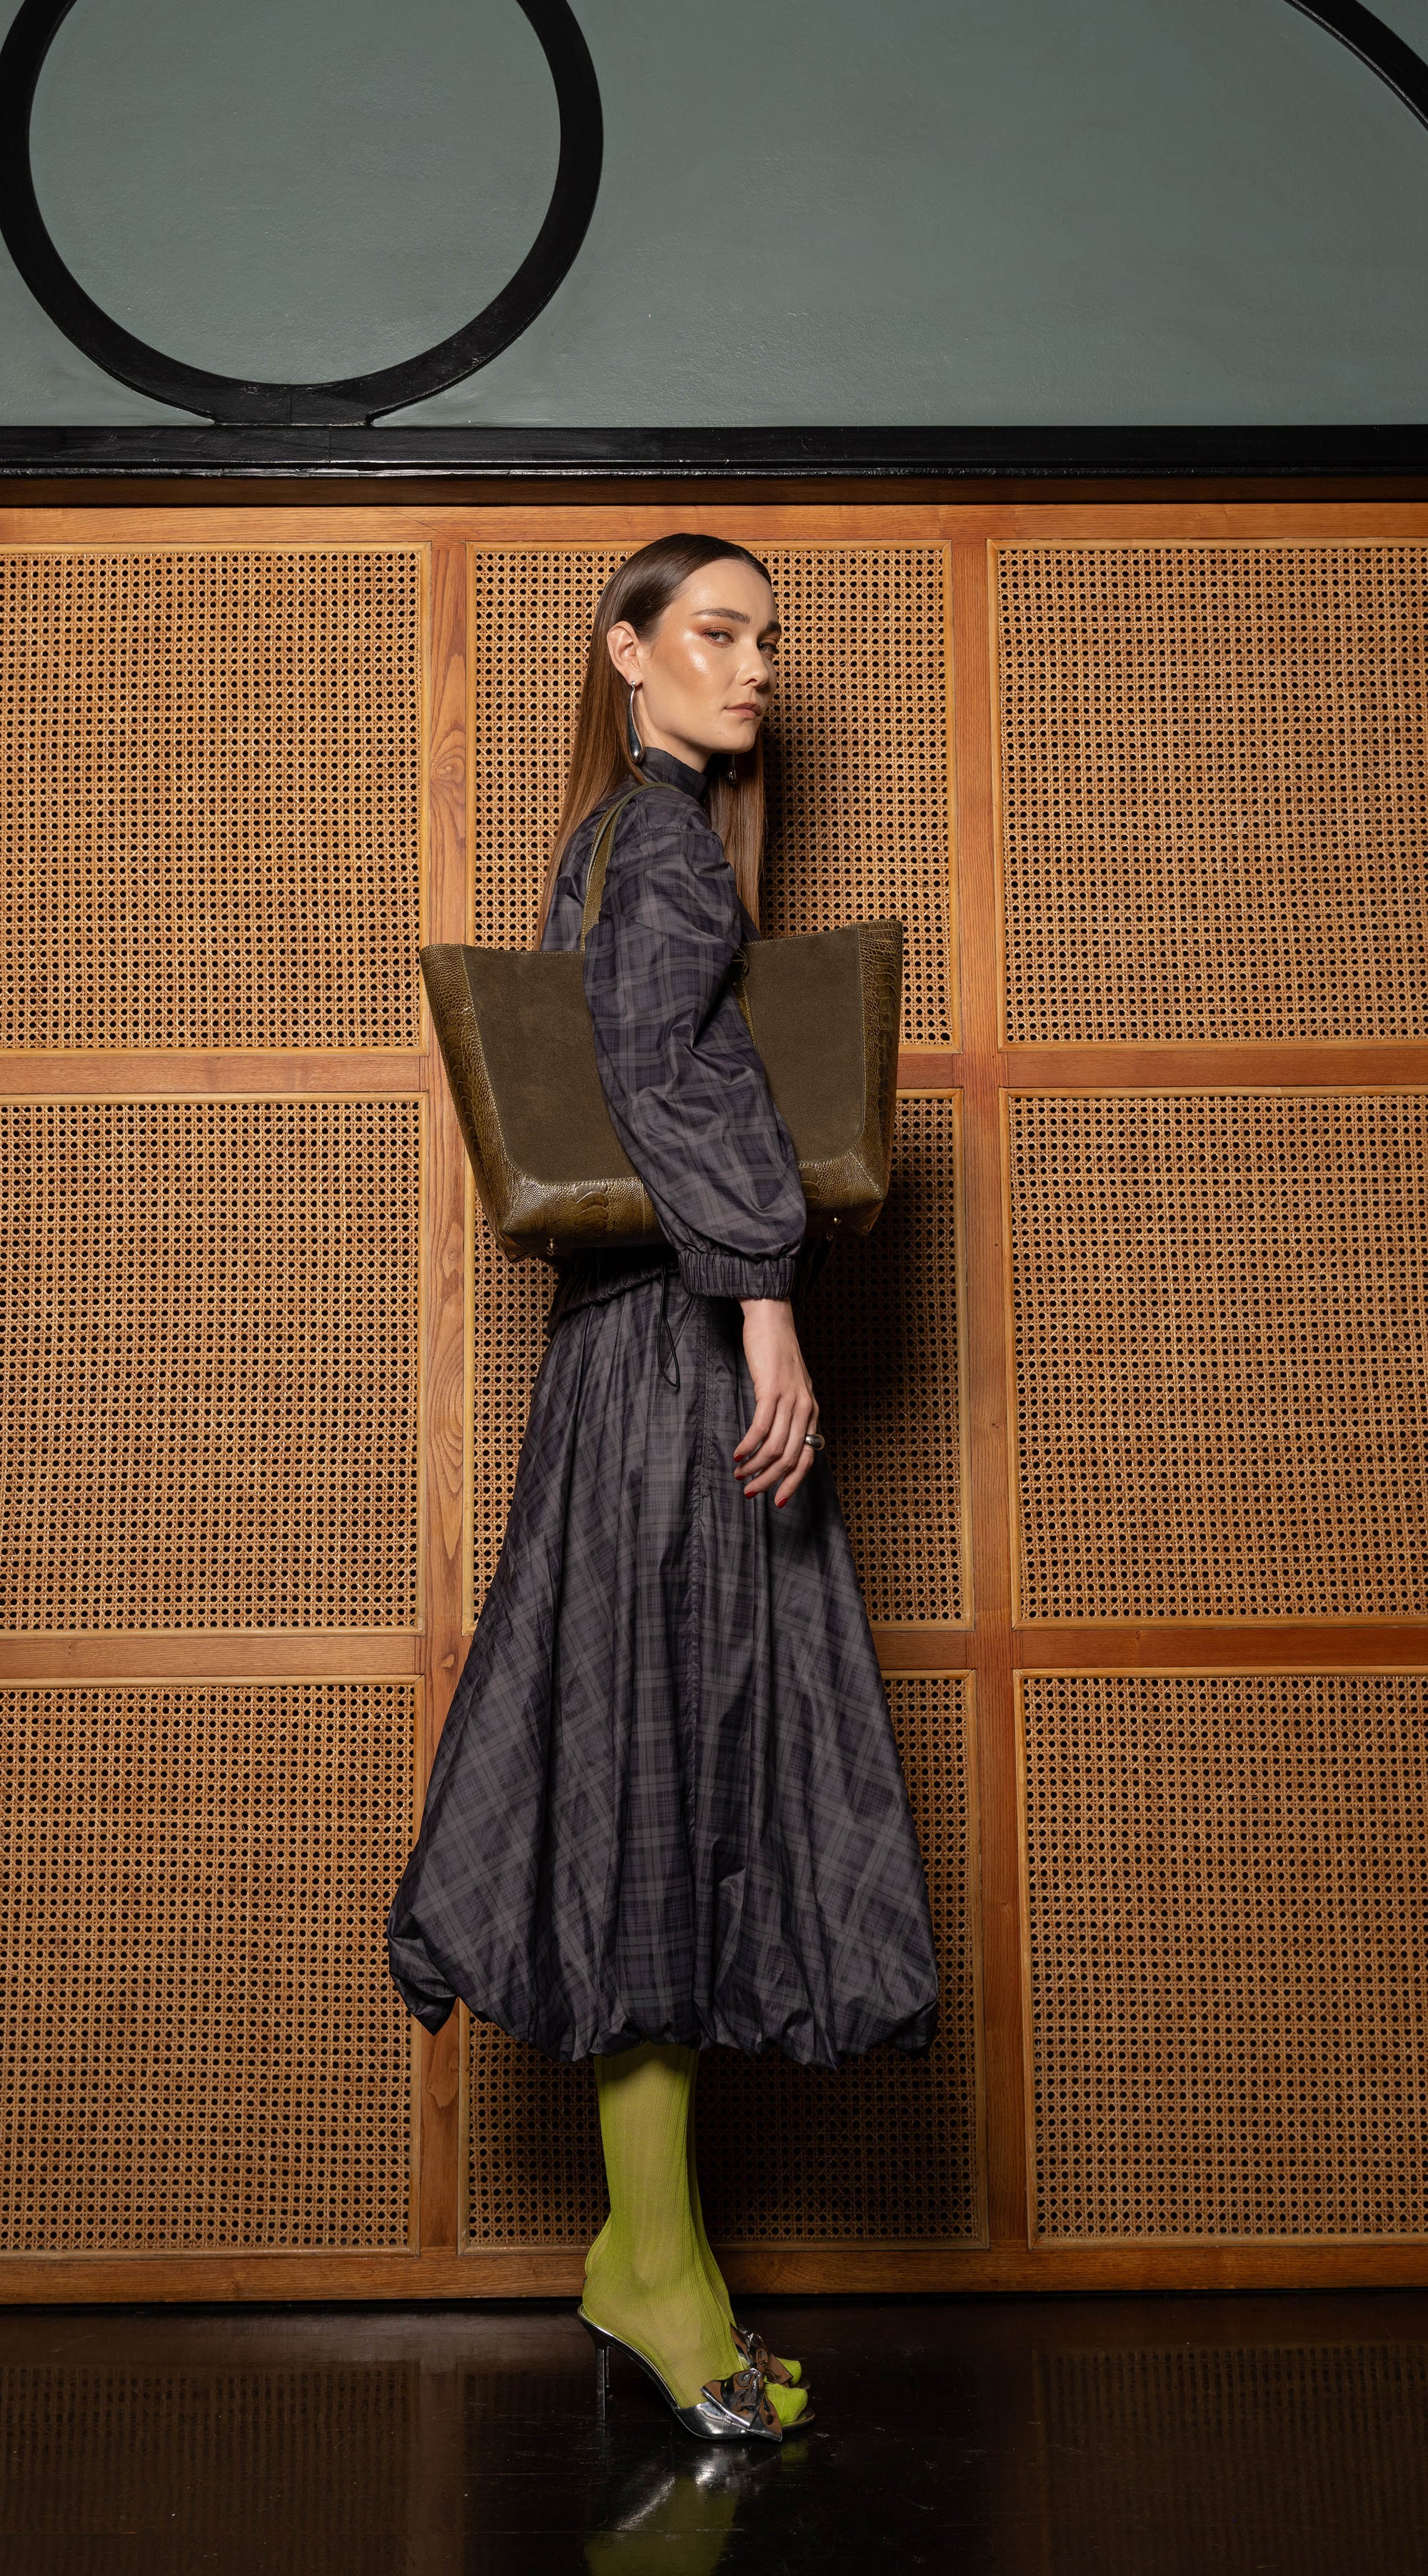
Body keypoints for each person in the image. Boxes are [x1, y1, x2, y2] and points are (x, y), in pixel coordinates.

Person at [387, 533, 938, 2442]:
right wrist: (768, 1306)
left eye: (768, 638)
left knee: (669, 1787)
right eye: (717, 631)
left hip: (633, 1360)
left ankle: (650, 2253)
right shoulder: (663, 846)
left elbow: (659, 1068)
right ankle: (659, 2274)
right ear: (627, 654)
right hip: (673, 1369)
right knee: (663, 1788)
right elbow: (665, 1076)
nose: (756, 665)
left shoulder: (638, 841)